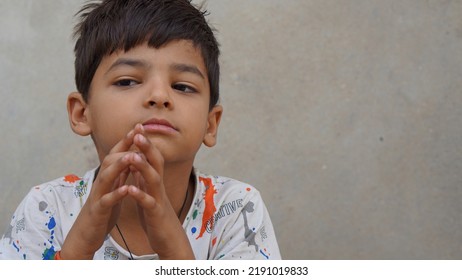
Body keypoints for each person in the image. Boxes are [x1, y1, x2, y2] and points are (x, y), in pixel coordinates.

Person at [0, 0, 280, 260]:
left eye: (182, 86)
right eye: (127, 81)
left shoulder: (237, 210)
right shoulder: (47, 208)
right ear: (82, 113)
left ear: (211, 124)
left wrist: (172, 244)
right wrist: (82, 244)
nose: (159, 95)